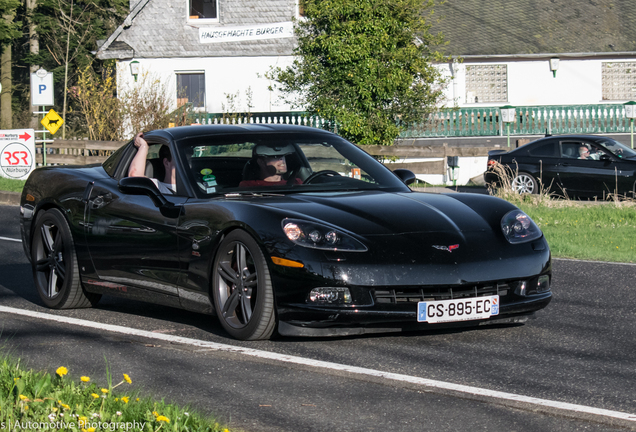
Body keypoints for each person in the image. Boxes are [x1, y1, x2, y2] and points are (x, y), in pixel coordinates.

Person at [239, 144, 303, 187]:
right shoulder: (249, 186)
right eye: (275, 156)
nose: (281, 158)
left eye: (283, 155)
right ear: (261, 162)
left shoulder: (296, 183)